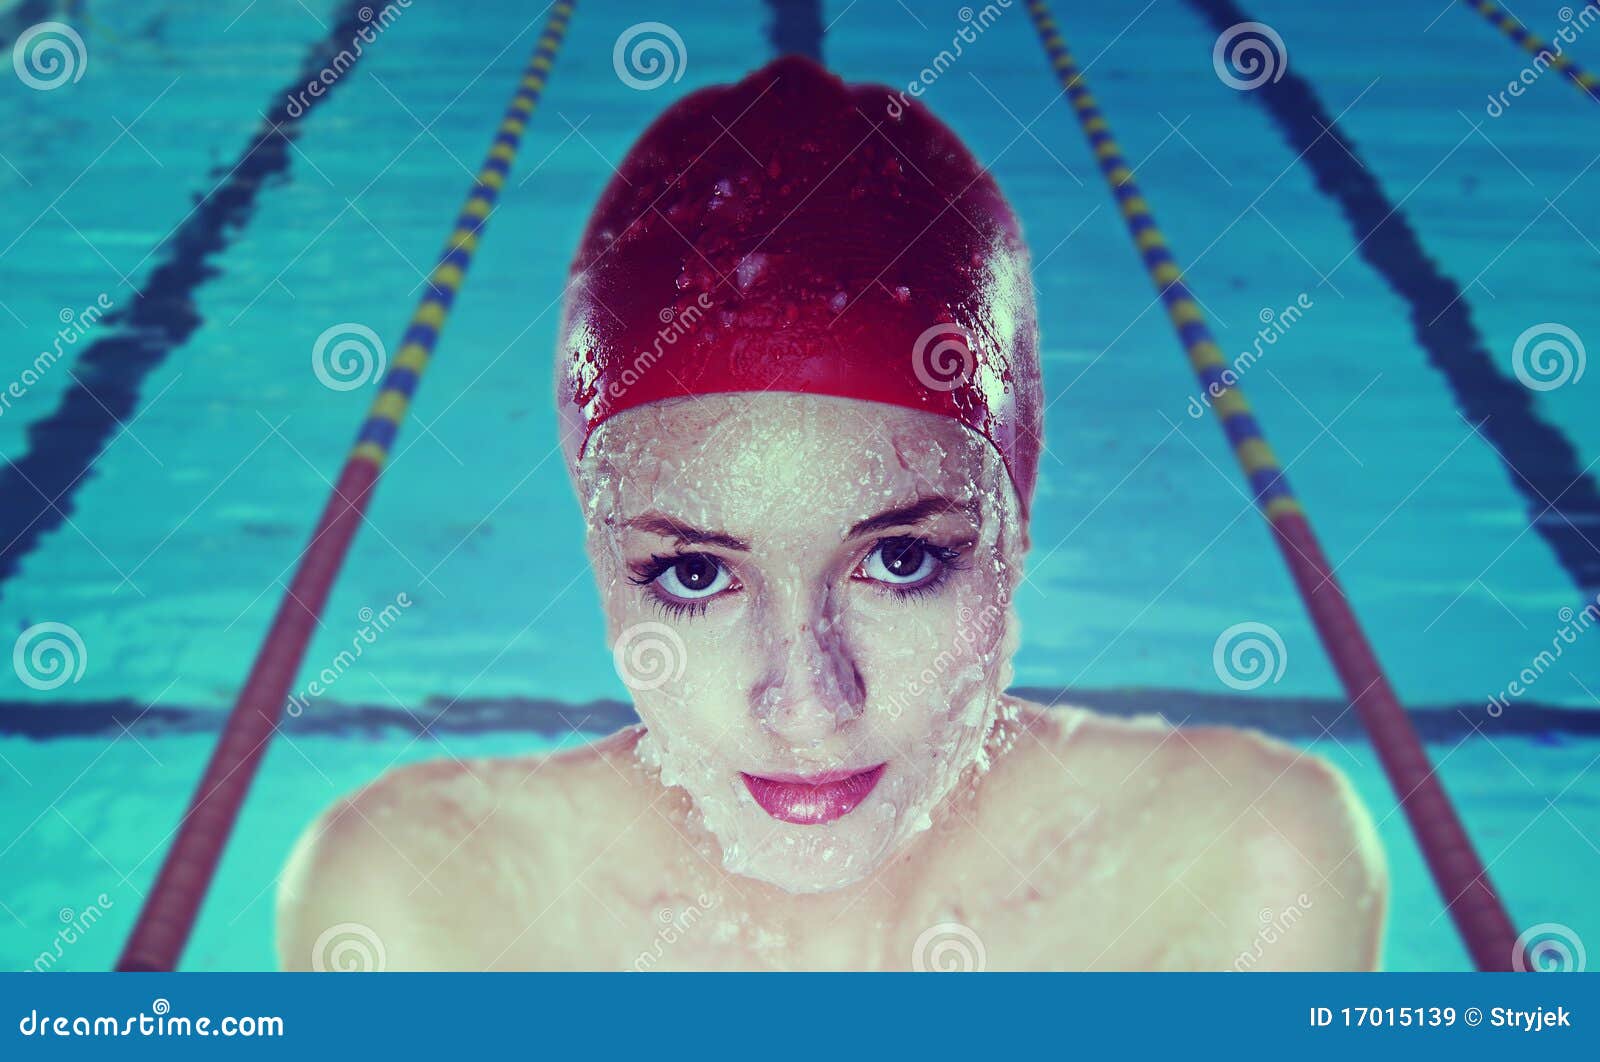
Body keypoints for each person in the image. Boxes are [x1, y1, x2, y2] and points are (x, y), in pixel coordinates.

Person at [277, 56, 1385, 971]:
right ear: (600, 550)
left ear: (1014, 525)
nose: (805, 704)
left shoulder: (1234, 864)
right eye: (695, 575)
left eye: (900, 558)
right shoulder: (431, 902)